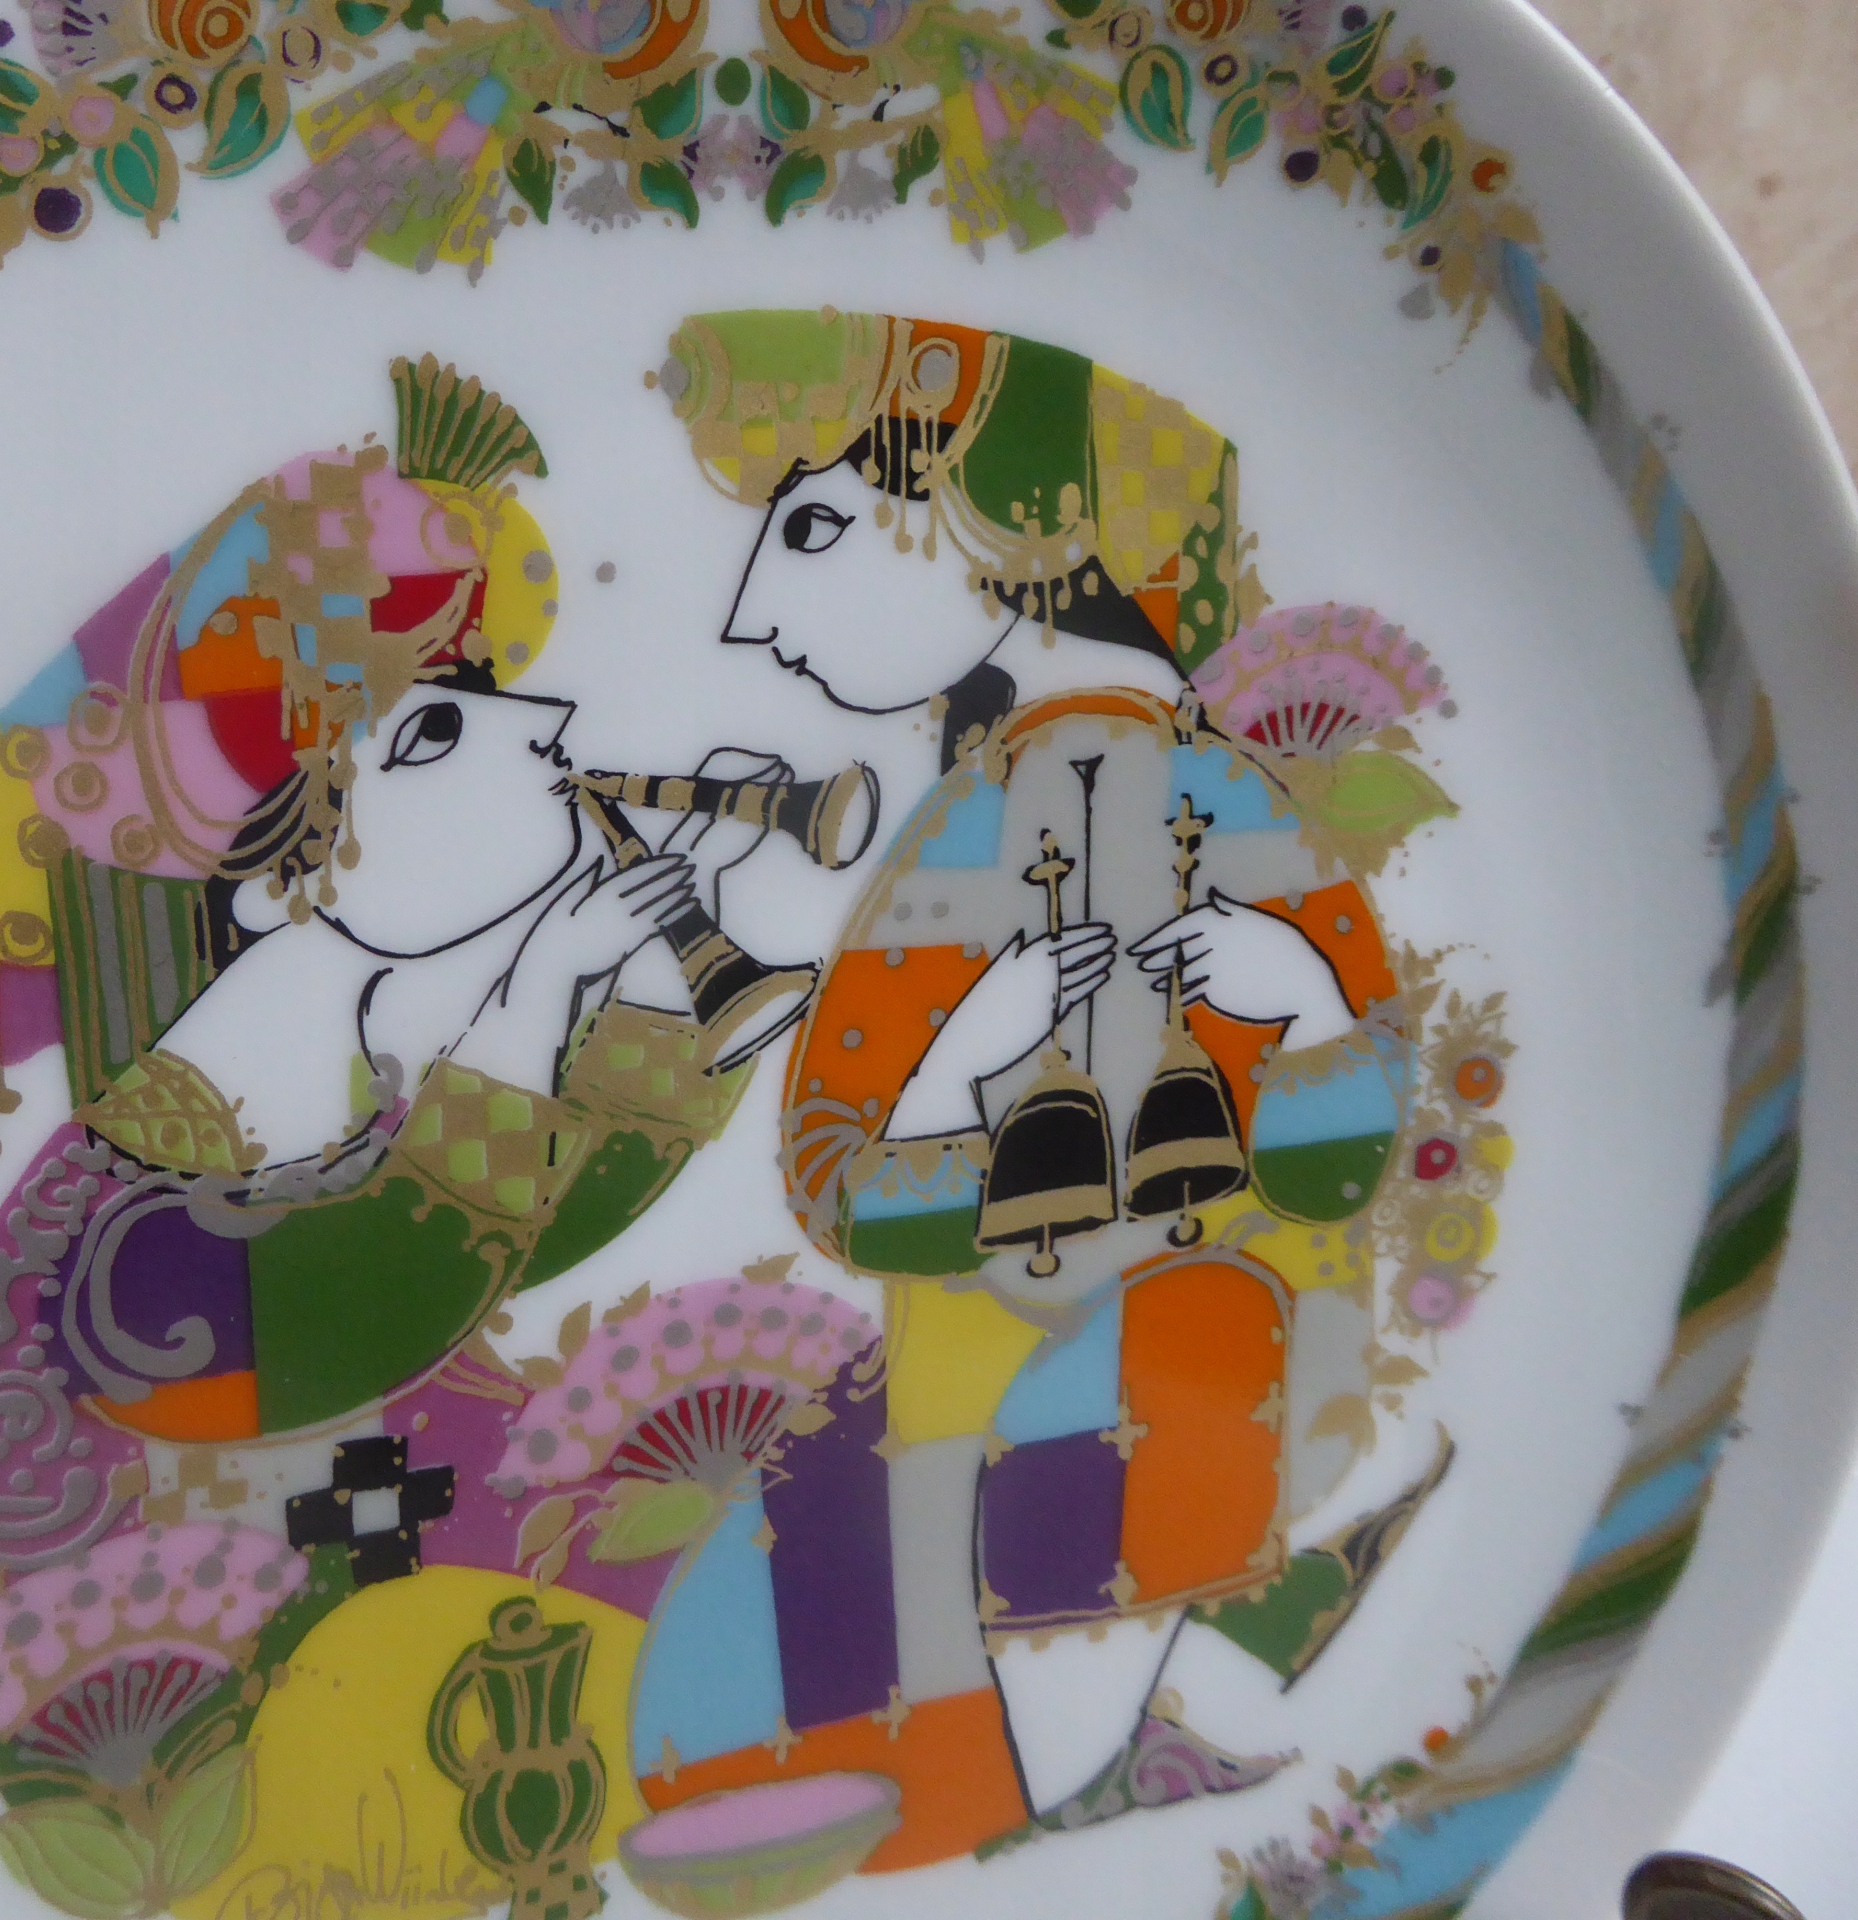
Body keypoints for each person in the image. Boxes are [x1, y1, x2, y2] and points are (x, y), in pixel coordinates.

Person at [0, 360, 780, 1918]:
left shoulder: (348, 1040)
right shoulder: (153, 1166)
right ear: (293, 858)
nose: (555, 737)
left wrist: (649, 1001)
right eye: (440, 732)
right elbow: (355, 1309)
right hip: (175, 1653)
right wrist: (537, 1001)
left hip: (341, 1496)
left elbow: (508, 1239)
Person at [618, 309, 1464, 1862]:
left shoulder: (1185, 796)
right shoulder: (965, 807)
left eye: (811, 529)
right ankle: (1186, 1661)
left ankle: (1169, 1668)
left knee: (812, 1698)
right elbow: (845, 1180)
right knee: (723, 1687)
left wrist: (1293, 993)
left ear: (997, 524)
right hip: (977, 1365)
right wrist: (968, 1059)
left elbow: (1341, 1153)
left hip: (1170, 1370)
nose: (748, 615)